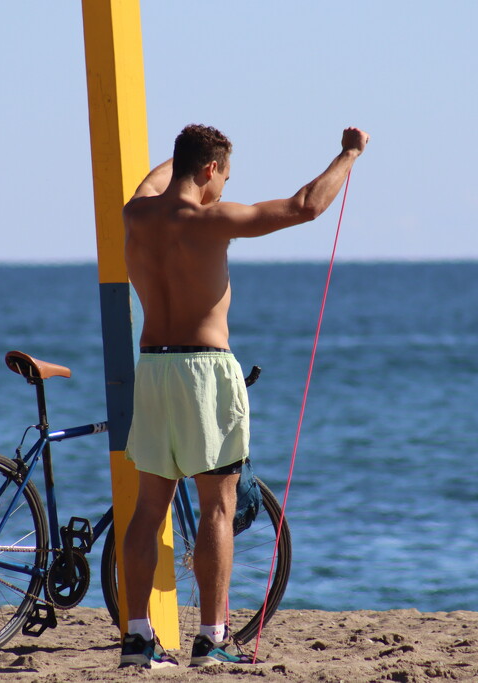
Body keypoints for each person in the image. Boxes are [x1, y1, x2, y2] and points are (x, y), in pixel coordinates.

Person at [118, 124, 370, 669]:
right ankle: (211, 639)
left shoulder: (136, 215)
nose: (224, 187)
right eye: (224, 176)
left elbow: (152, 182)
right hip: (203, 371)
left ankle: (137, 640)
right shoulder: (211, 221)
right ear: (209, 171)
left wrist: (186, 158)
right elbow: (305, 206)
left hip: (153, 368)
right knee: (218, 505)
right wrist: (349, 154)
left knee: (148, 509)